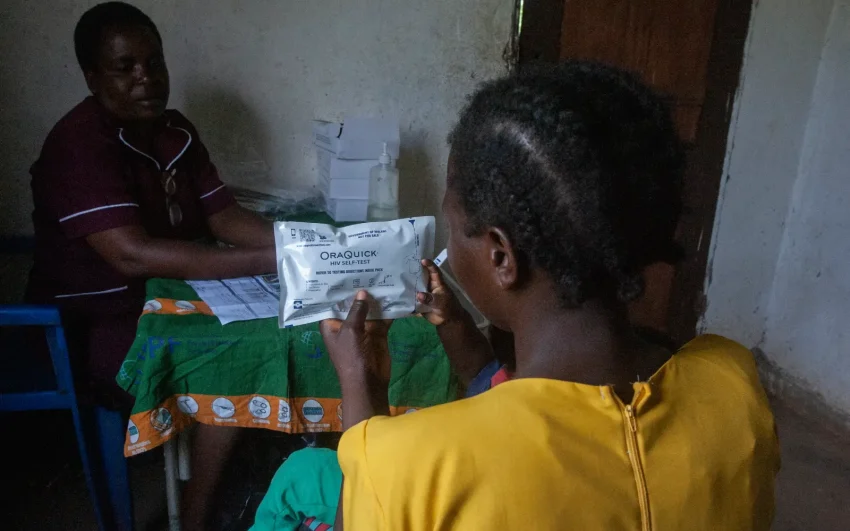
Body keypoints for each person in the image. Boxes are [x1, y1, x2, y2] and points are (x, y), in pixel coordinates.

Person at [252, 61, 780, 530]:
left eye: (454, 225)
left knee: (302, 474)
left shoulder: (407, 465)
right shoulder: (731, 380)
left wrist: (360, 385)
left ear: (502, 255)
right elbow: (532, 412)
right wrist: (458, 328)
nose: (449, 243)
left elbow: (368, 506)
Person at [26, 3, 275, 529]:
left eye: (154, 62)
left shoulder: (174, 130)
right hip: (96, 322)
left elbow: (225, 217)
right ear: (92, 77)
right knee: (224, 363)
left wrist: (304, 244)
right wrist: (265, 258)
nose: (146, 77)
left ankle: (250, 479)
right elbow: (130, 253)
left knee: (271, 334)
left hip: (169, 298)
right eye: (125, 67)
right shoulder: (78, 144)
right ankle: (198, 514)